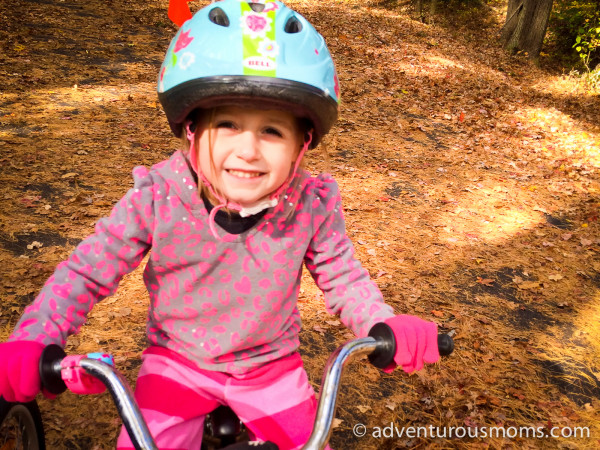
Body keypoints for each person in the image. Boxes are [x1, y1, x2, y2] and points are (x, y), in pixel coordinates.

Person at [0, 1, 440, 448]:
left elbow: (343, 277)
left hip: (270, 368)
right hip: (177, 361)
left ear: (301, 144)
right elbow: (88, 271)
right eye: (227, 124)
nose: (248, 149)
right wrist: (36, 337)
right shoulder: (158, 195)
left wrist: (381, 324)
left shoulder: (311, 203)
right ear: (191, 128)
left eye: (272, 131)